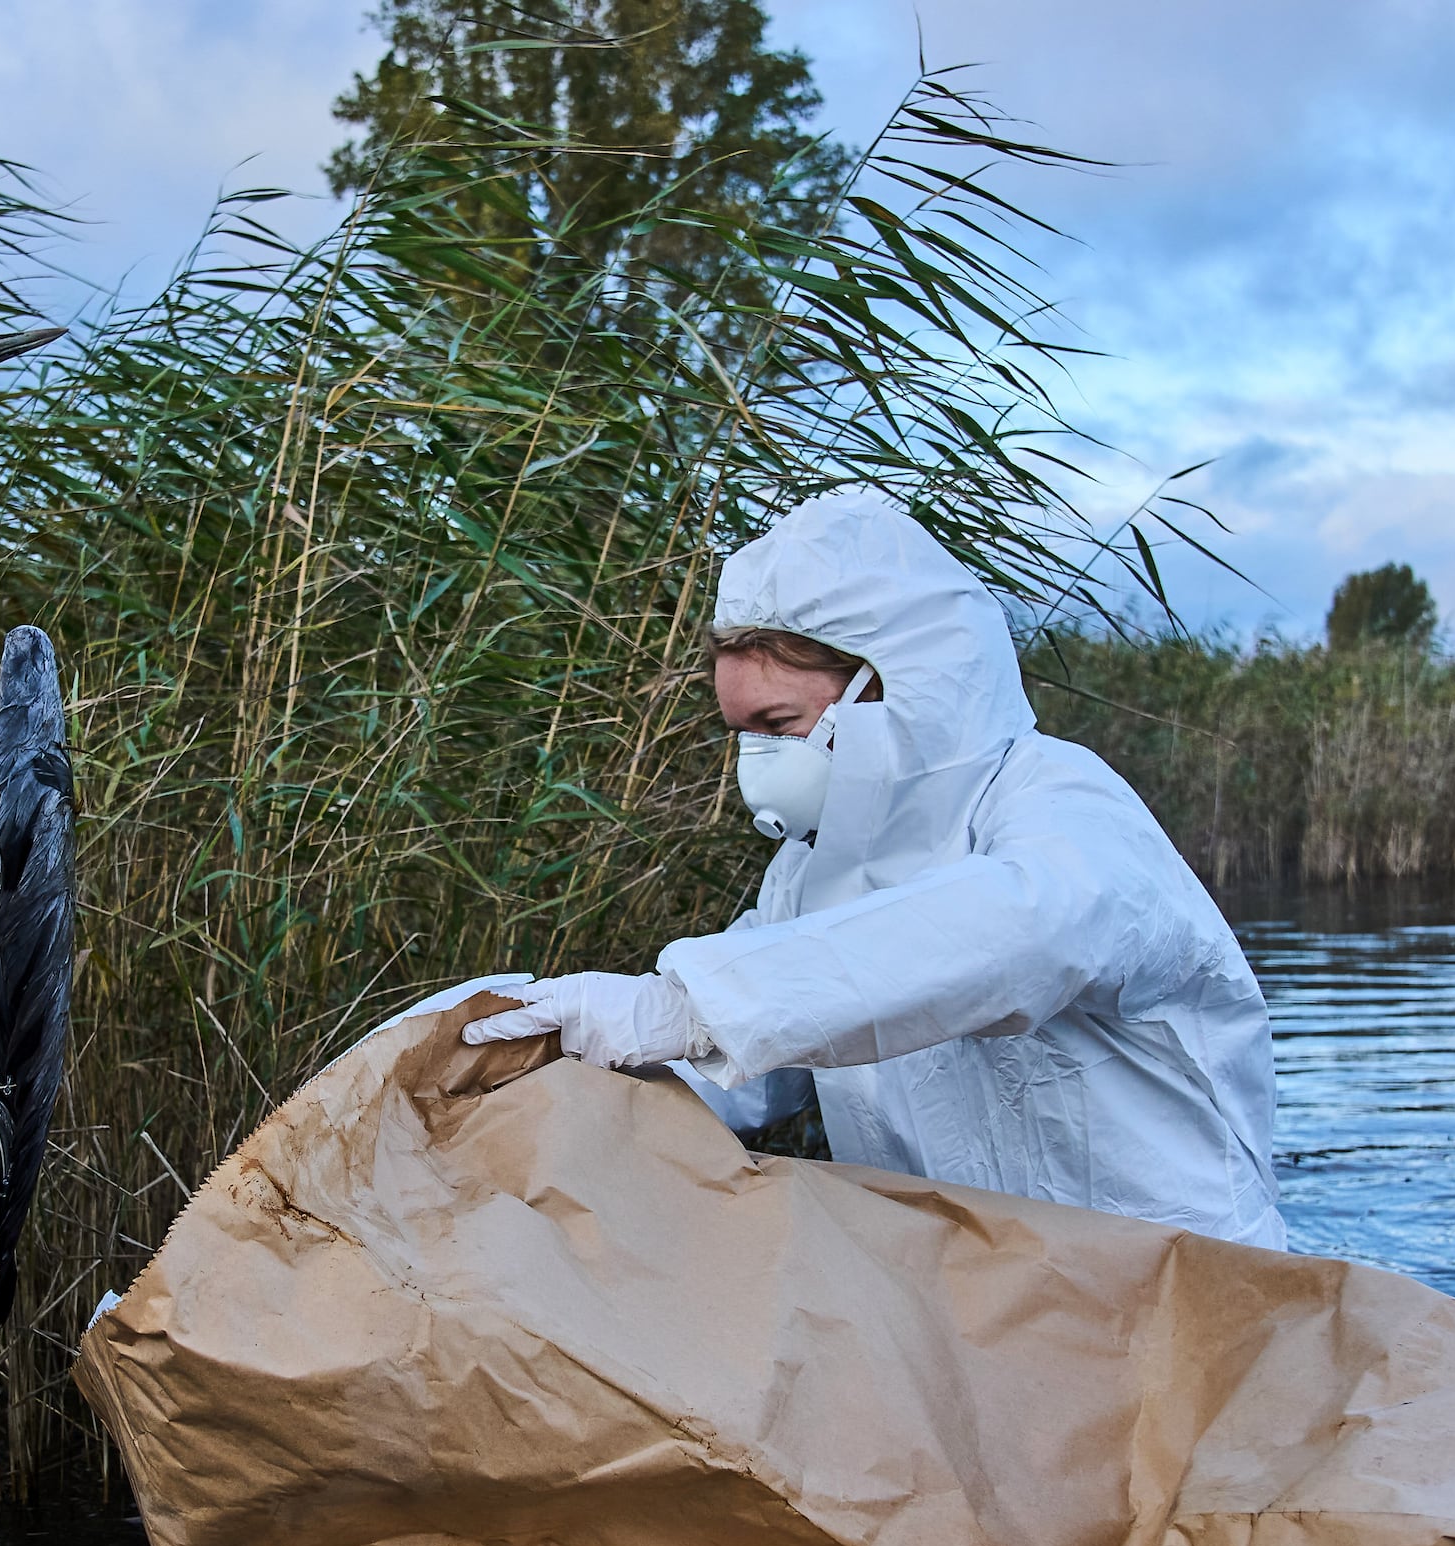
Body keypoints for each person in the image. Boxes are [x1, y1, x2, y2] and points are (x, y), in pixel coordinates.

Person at [463, 486, 1285, 1248]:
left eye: (778, 723)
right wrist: (537, 1056)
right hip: (985, 1309)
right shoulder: (808, 872)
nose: (756, 757)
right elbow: (748, 1064)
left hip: (1182, 1297)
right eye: (741, 731)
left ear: (890, 684)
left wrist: (688, 1006)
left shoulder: (1058, 801)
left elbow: (1020, 934)